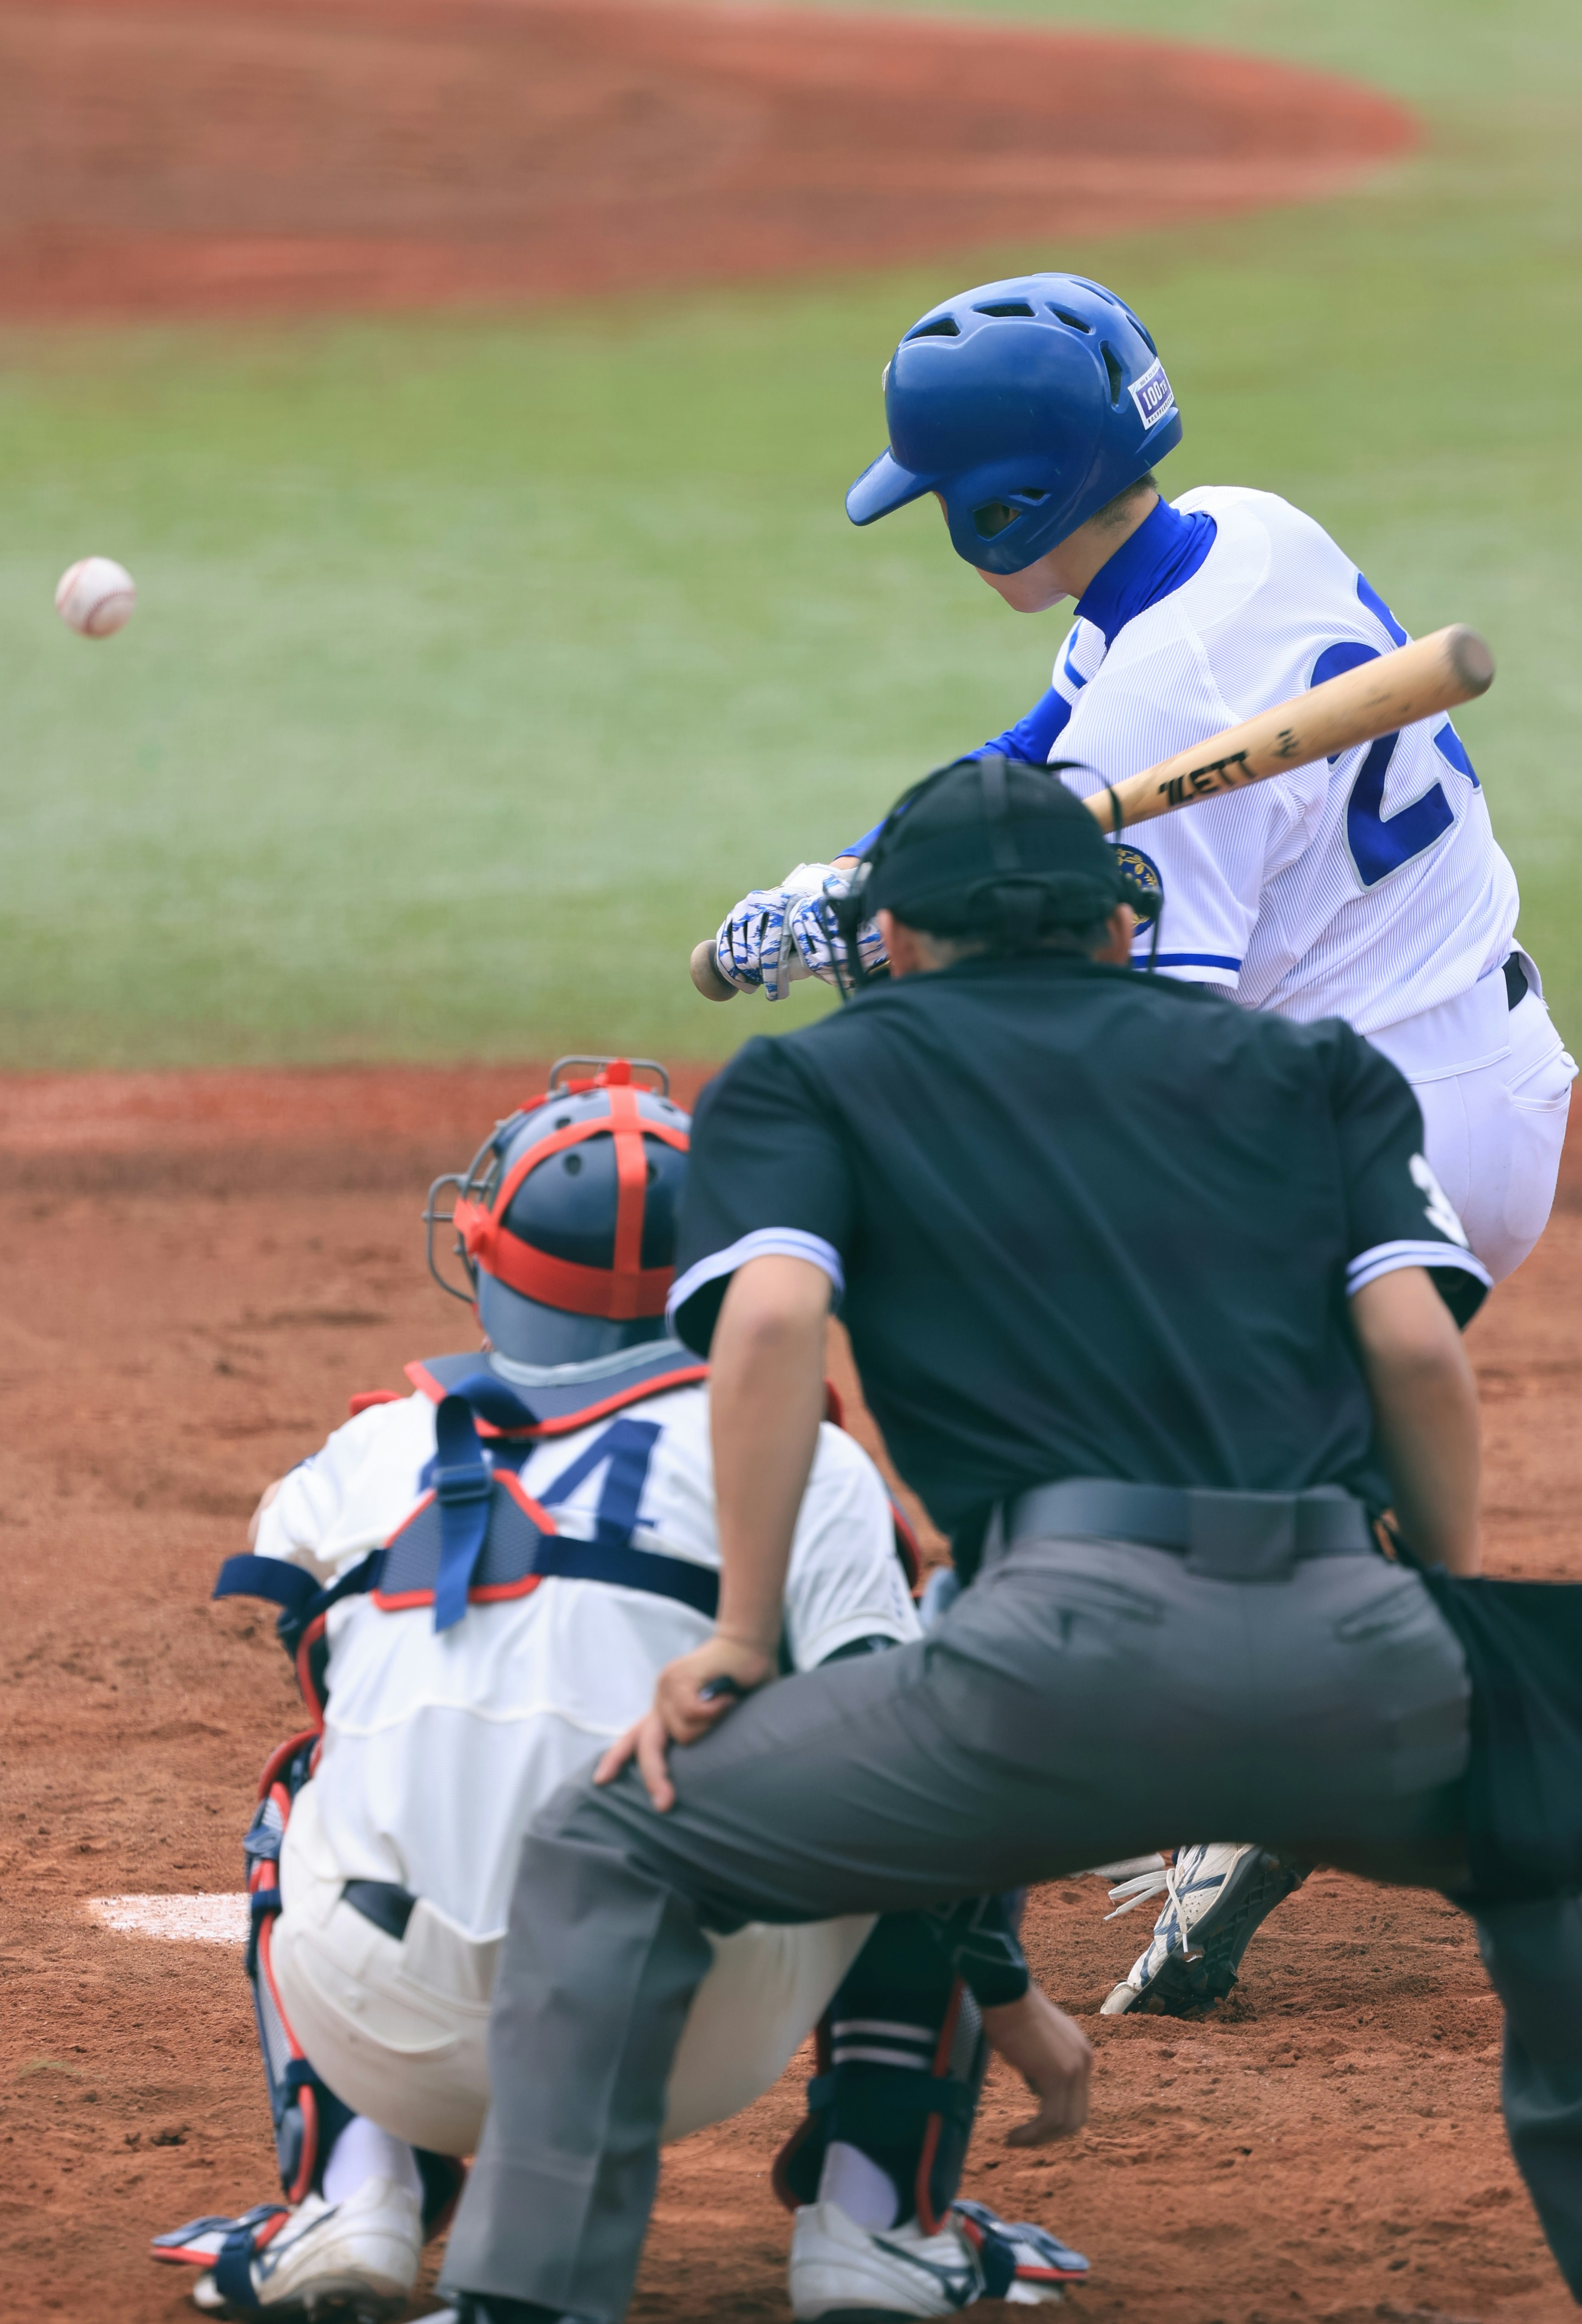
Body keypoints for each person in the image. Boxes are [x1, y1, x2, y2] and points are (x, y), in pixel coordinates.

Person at [433, 764, 1582, 2324]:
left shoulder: (813, 1079)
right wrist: (1443, 1631)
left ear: (892, 938)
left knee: (615, 1844)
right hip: (1360, 1656)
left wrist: (744, 1640)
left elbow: (770, 1326)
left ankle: (527, 2302)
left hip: (1040, 1680)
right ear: (1125, 929)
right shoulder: (1314, 1067)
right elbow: (1421, 1358)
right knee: (1557, 1834)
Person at [705, 270, 1577, 2013]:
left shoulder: (1162, 724)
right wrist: (866, 871)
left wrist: (876, 947)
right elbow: (1049, 754)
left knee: (1060, 1337)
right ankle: (1332, 1631)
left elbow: (1120, 1055)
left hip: (1372, 1148)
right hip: (1491, 1080)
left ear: (1001, 506)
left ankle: (1266, 1747)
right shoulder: (1244, 534)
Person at [152, 1058, 1087, 2320]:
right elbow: (919, 1761)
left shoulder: (371, 1450)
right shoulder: (807, 1465)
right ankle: (880, 2221)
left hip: (394, 2027)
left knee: (311, 1784)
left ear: (487, 1252)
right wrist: (1014, 2000)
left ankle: (348, 2196)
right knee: (907, 1742)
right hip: (688, 2037)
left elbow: (320, 1654)